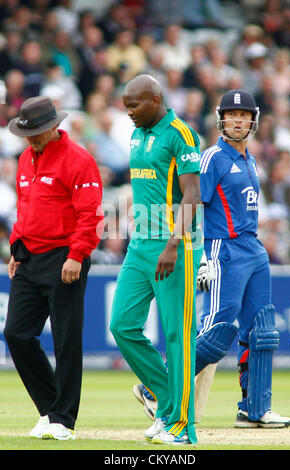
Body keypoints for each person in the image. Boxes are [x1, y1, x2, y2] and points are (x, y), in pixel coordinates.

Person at [134, 89, 290, 430]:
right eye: (232, 114)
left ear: (254, 120)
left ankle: (254, 409)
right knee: (218, 329)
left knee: (262, 330)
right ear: (221, 118)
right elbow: (192, 205)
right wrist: (201, 255)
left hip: (254, 249)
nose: (238, 120)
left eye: (244, 115)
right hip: (224, 249)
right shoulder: (211, 158)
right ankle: (154, 388)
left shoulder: (251, 161)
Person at [110, 74, 203, 445]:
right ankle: (166, 403)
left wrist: (173, 244)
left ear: (156, 98)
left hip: (174, 246)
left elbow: (193, 194)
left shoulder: (180, 133)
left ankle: (184, 428)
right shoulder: (137, 133)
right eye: (126, 107)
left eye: (134, 105)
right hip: (139, 244)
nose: (129, 113)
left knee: (177, 337)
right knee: (122, 325)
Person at [3, 96, 103, 440]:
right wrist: (16, 248)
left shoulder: (79, 160)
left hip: (64, 257)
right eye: (27, 132)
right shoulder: (24, 160)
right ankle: (50, 409)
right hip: (29, 256)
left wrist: (77, 254)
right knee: (15, 333)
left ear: (54, 127)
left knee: (66, 339)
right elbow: (25, 208)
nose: (31, 139)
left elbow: (90, 214)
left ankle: (64, 419)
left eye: (38, 132)